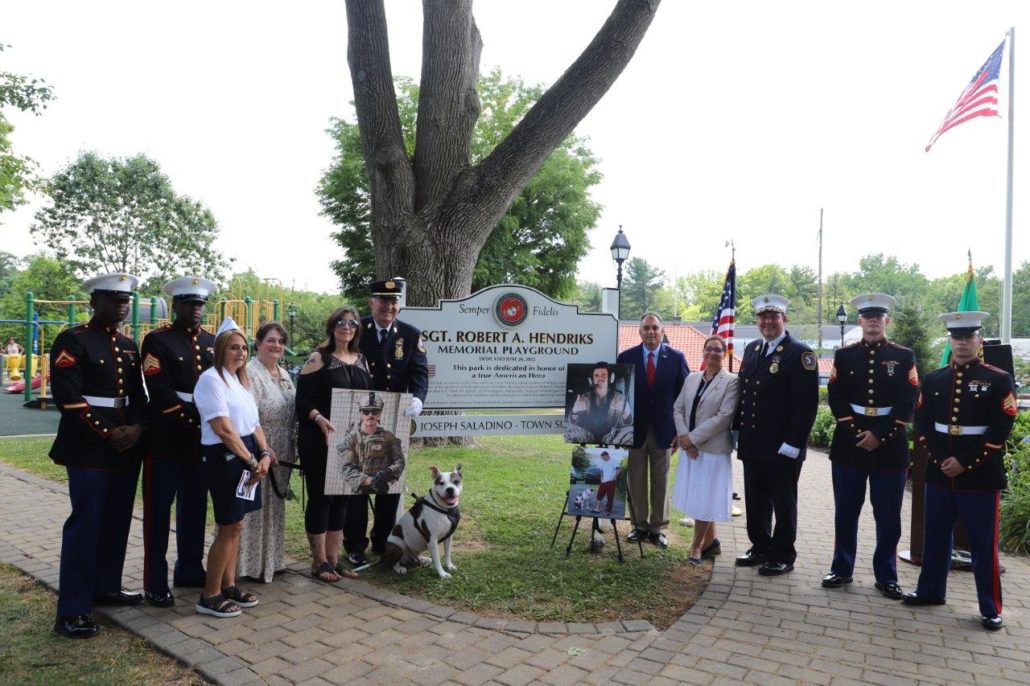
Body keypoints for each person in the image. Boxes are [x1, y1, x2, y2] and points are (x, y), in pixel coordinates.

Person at [904, 311, 1017, 631]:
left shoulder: (998, 378)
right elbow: (923, 421)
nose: (962, 343)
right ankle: (930, 591)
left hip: (979, 475)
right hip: (941, 473)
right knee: (935, 537)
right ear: (950, 340)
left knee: (982, 544)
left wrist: (965, 462)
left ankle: (989, 606)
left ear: (979, 341)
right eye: (957, 338)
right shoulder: (935, 378)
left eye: (969, 338)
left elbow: (1002, 426)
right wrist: (941, 459)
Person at [49, 273, 147, 638]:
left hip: (125, 447)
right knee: (85, 524)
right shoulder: (72, 340)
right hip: (88, 446)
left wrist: (136, 428)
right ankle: (72, 610)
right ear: (94, 301)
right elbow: (69, 400)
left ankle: (106, 587)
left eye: (126, 299)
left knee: (117, 520)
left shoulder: (127, 344)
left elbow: (139, 396)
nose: (122, 304)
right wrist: (111, 432)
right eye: (112, 298)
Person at [822, 294, 918, 600]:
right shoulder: (844, 356)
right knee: (846, 513)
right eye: (867, 317)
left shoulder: (904, 357)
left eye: (878, 317)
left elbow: (908, 400)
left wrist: (880, 435)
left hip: (890, 448)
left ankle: (886, 576)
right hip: (850, 447)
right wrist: (856, 431)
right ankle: (842, 568)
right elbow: (835, 397)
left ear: (886, 321)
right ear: (860, 321)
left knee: (889, 516)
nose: (873, 321)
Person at [139, 276, 216, 607]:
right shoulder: (157, 341)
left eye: (200, 304)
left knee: (195, 508)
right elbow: (158, 388)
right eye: (189, 304)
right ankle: (155, 581)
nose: (196, 309)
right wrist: (192, 421)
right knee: (158, 512)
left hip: (200, 442)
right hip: (165, 439)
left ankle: (189, 568)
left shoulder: (214, 341)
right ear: (175, 306)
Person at [193, 319, 275, 618]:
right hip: (226, 458)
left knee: (237, 525)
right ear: (220, 350)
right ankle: (209, 595)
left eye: (242, 347)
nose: (239, 353)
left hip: (247, 455)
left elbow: (254, 425)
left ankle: (228, 585)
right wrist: (253, 461)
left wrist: (264, 453)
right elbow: (224, 429)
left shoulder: (240, 382)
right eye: (233, 347)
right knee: (227, 526)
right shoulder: (211, 380)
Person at [734, 294, 819, 576]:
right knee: (755, 501)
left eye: (774, 317)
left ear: (785, 319)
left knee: (783, 503)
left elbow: (806, 404)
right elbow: (745, 394)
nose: (768, 322)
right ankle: (760, 546)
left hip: (783, 447)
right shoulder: (752, 349)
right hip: (753, 443)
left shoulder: (800, 353)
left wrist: (795, 442)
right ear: (757, 321)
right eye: (763, 317)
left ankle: (783, 554)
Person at [355, 279, 428, 561]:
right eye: (383, 301)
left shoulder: (409, 334)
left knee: (389, 483)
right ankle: (355, 545)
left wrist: (419, 398)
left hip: (396, 420)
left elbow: (420, 373)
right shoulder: (356, 329)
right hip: (360, 418)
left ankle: (382, 541)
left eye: (394, 301)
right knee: (358, 484)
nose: (389, 306)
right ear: (372, 302)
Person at [296, 306, 370, 580]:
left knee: (342, 499)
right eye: (341, 322)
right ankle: (318, 562)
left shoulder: (362, 359)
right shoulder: (319, 358)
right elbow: (302, 400)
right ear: (332, 326)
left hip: (351, 442)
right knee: (321, 498)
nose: (346, 327)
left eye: (352, 323)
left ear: (357, 329)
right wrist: (318, 418)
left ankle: (333, 559)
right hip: (320, 440)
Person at [616, 312, 689, 547]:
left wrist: (681, 430)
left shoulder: (677, 358)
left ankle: (657, 528)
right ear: (639, 331)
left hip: (665, 430)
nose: (650, 332)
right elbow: (619, 395)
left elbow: (684, 397)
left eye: (655, 328)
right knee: (635, 479)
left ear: (662, 331)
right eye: (646, 328)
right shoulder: (626, 357)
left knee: (661, 479)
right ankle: (639, 526)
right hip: (633, 430)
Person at [672, 335, 740, 565]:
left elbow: (724, 417)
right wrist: (683, 438)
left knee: (704, 498)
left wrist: (691, 439)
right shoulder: (691, 378)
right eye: (708, 349)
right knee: (702, 496)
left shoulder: (732, 381)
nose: (712, 353)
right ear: (703, 351)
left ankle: (696, 547)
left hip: (712, 450)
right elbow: (678, 408)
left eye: (718, 350)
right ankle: (712, 542)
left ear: (725, 354)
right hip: (690, 448)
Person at [237, 321, 295, 583]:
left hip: (284, 447)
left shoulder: (284, 374)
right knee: (254, 507)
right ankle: (247, 565)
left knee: (275, 506)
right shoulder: (250, 372)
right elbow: (249, 417)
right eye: (271, 340)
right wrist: (263, 449)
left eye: (281, 341)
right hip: (259, 446)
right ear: (258, 344)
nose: (277, 346)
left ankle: (271, 561)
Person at [340, 392, 406, 496]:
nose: (370, 415)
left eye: (374, 411)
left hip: (383, 487)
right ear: (361, 414)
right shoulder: (351, 439)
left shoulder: (389, 438)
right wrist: (370, 481)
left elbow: (400, 461)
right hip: (360, 489)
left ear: (379, 414)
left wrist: (386, 473)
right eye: (366, 411)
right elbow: (346, 468)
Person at [565, 362, 633, 445]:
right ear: (591, 379)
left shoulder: (620, 399)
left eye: (603, 375)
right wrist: (574, 412)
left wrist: (627, 414)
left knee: (631, 432)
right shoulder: (583, 398)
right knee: (566, 428)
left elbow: (626, 425)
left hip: (610, 436)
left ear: (611, 378)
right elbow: (572, 424)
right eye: (596, 375)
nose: (600, 377)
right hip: (587, 435)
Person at [591, 450, 622, 515]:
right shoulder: (603, 462)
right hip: (603, 482)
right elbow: (601, 471)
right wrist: (601, 477)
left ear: (607, 455)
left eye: (604, 457)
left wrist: (614, 477)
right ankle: (597, 508)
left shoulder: (614, 461)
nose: (603, 459)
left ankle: (608, 511)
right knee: (599, 495)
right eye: (602, 458)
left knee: (610, 497)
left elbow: (619, 469)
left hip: (611, 482)